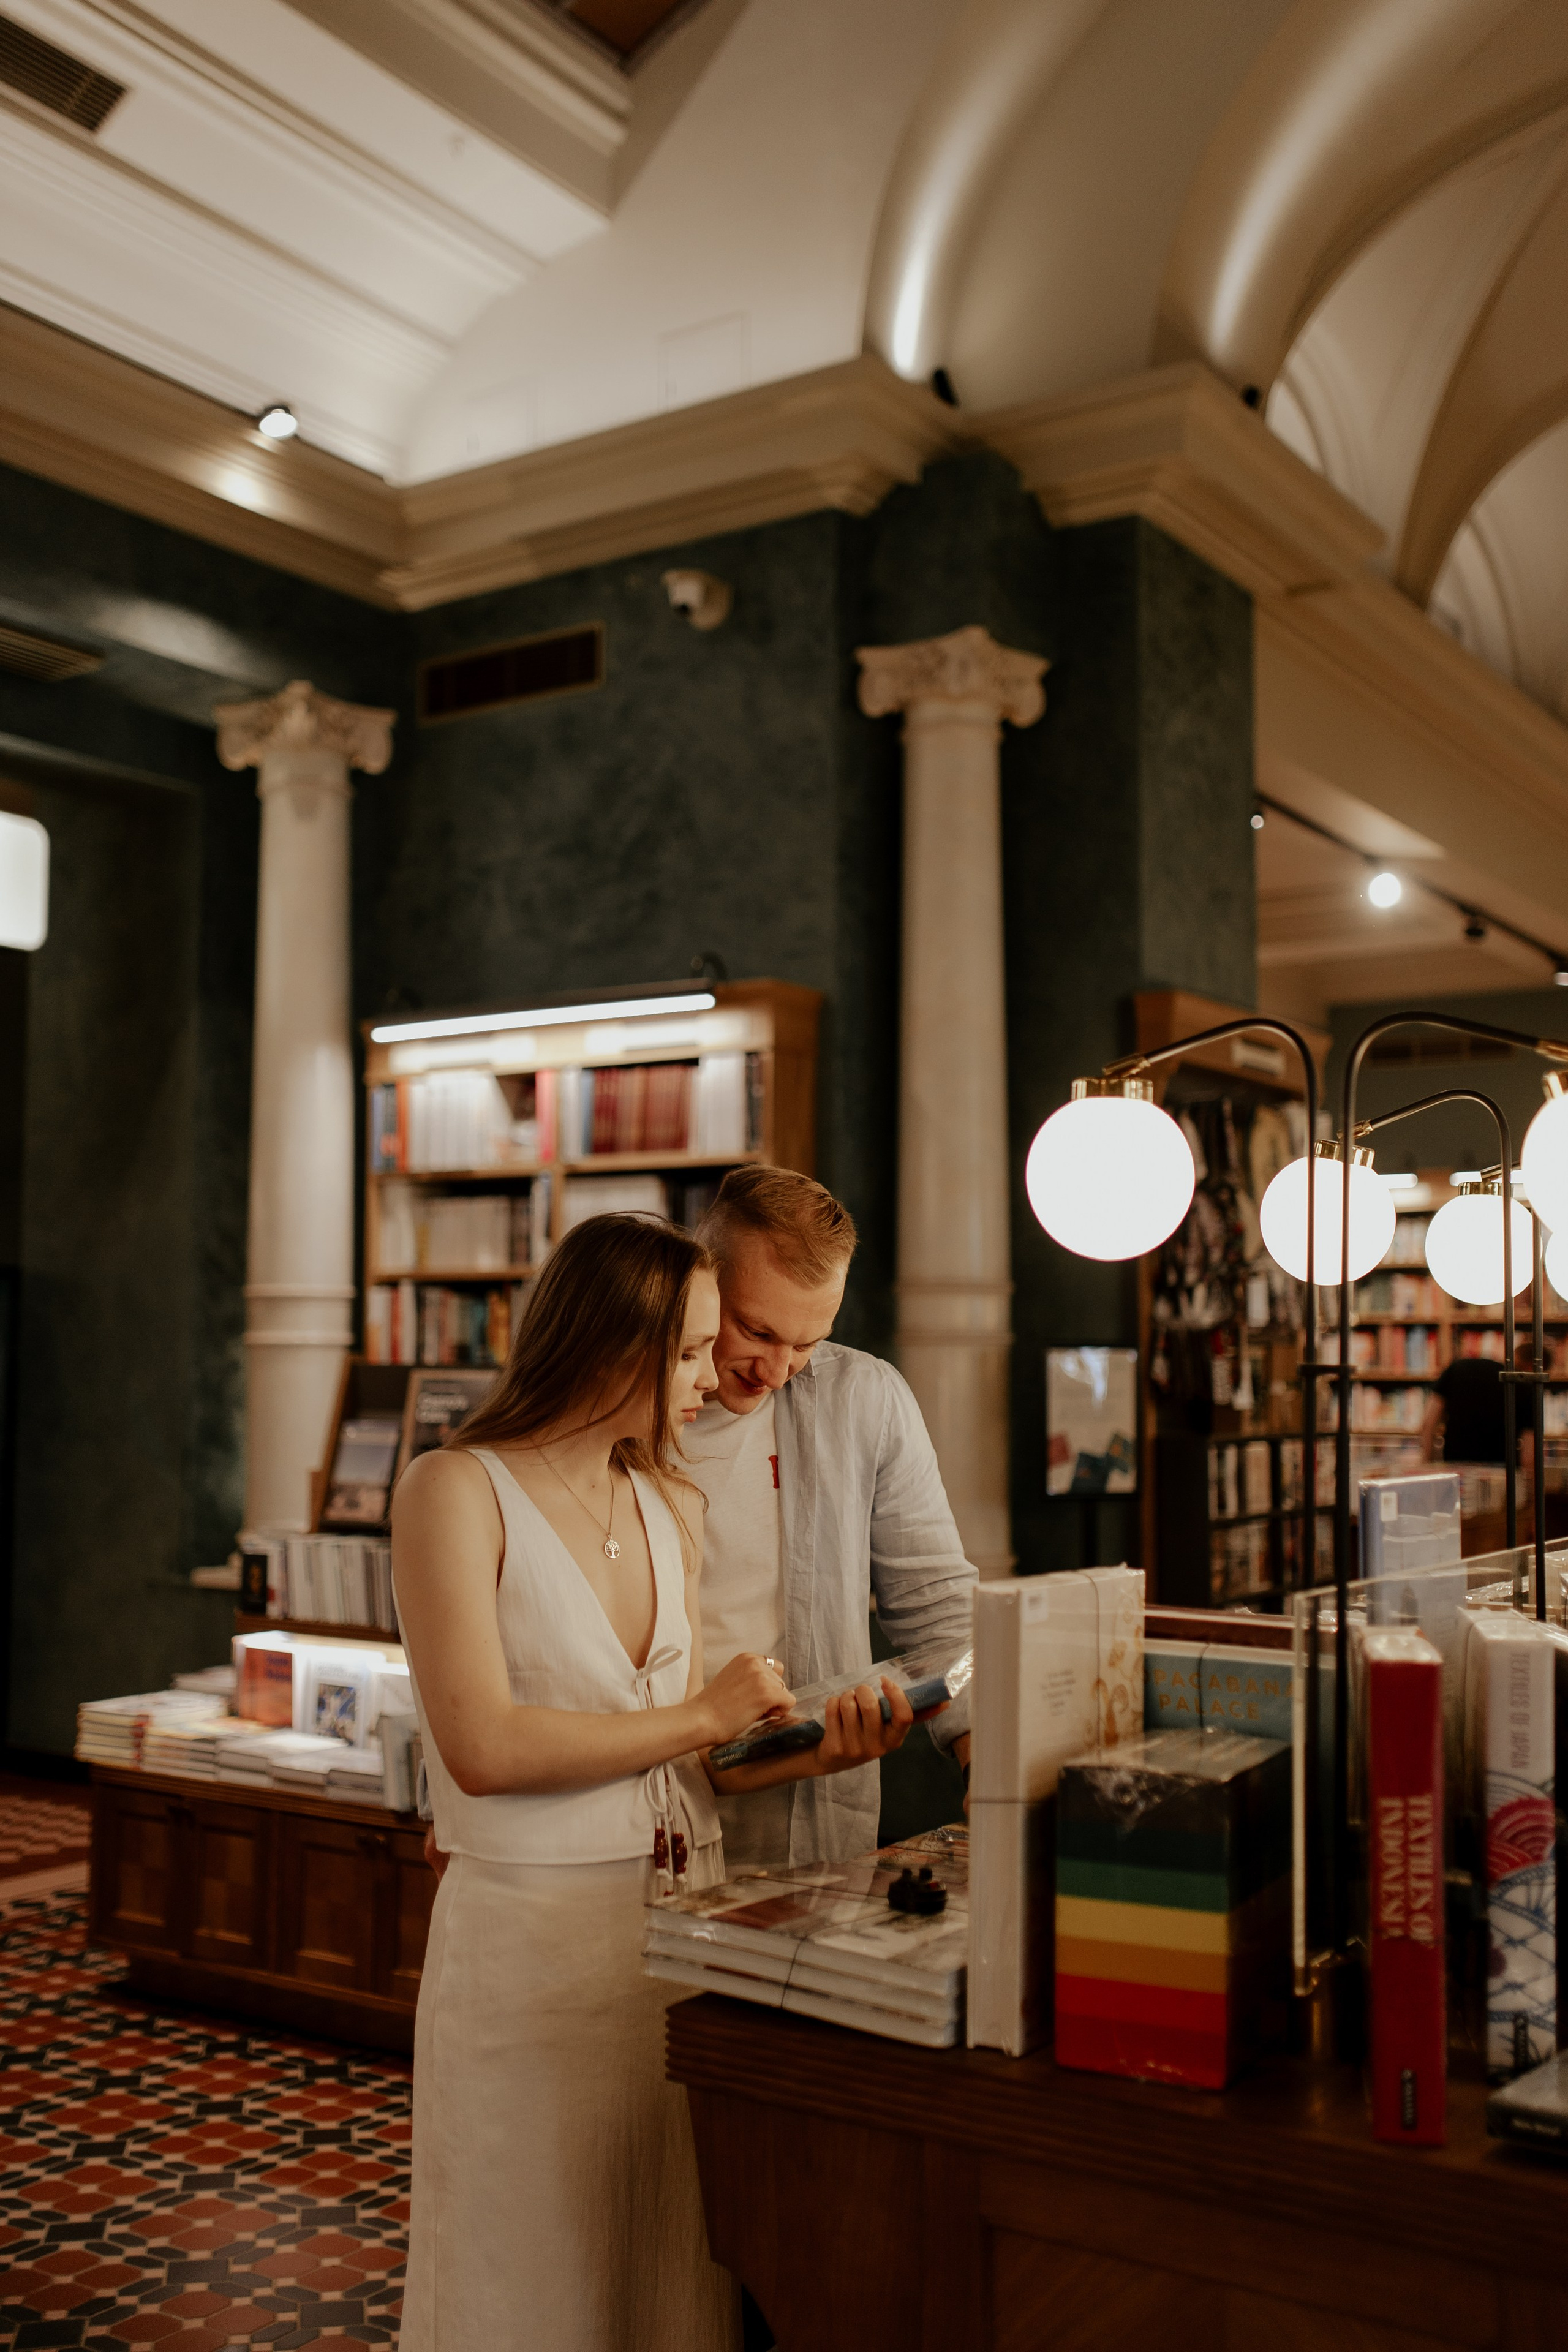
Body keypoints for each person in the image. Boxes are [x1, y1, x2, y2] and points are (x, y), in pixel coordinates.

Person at [393, 1215, 918, 2352]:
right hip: (530, 1962)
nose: (713, 1380)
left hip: (674, 1947)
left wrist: (816, 1745)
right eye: (687, 1352)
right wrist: (700, 1713)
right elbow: (480, 1746)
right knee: (525, 2279)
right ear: (608, 1344)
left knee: (668, 2284)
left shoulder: (667, 1504)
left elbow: (682, 1765)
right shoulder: (455, 1490)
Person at [684, 1166, 978, 1869]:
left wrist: (986, 1766)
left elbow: (938, 1607)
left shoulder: (864, 1399)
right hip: (639, 1805)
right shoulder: (617, 1404)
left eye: (809, 1342)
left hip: (806, 1826)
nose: (779, 1369)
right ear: (699, 1282)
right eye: (756, 1330)